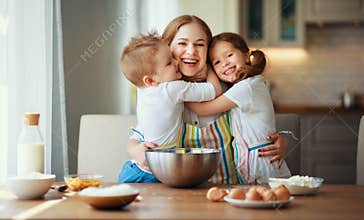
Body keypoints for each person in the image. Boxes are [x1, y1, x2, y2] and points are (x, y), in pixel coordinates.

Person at [125, 15, 289, 184]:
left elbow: (258, 123)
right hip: (184, 196)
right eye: (182, 43)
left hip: (230, 189)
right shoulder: (161, 97)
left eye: (200, 44)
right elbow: (140, 136)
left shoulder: (231, 87)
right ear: (167, 47)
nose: (191, 51)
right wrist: (135, 150)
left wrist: (280, 139)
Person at [186, 32, 291, 184]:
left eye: (229, 55)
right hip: (251, 165)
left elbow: (203, 109)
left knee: (270, 202)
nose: (225, 63)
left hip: (263, 164)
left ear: (247, 56)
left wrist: (178, 93)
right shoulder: (240, 88)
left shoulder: (247, 87)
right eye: (216, 62)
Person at [118, 32, 221, 183]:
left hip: (133, 169)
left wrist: (134, 148)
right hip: (156, 172)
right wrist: (209, 68)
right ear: (150, 80)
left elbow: (139, 133)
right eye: (168, 62)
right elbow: (213, 90)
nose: (176, 62)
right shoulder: (172, 89)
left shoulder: (143, 92)